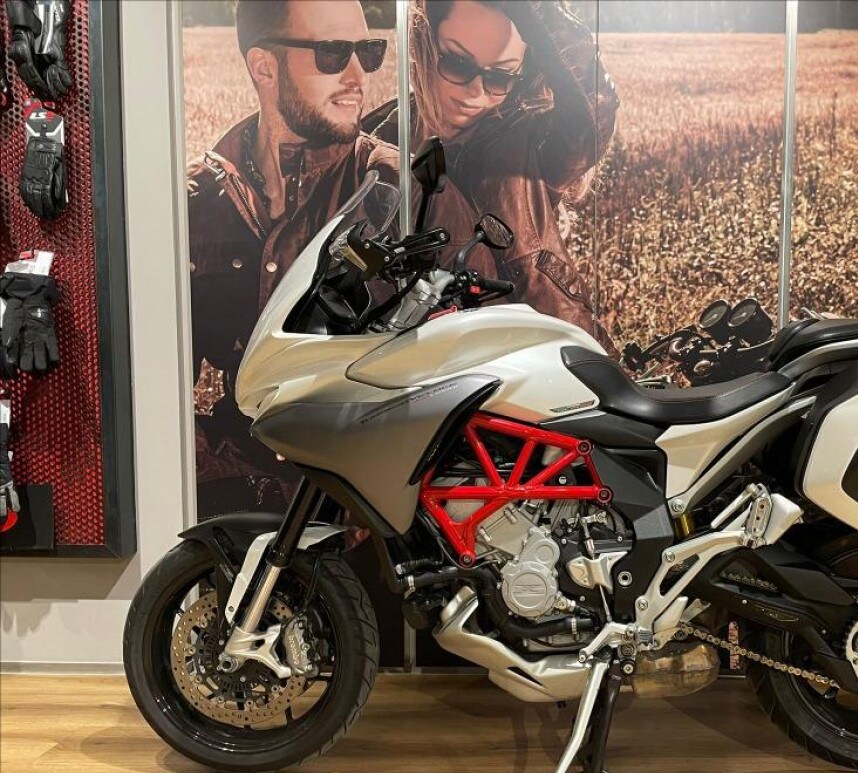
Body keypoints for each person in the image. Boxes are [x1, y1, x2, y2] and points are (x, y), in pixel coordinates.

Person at [187, 0, 487, 519]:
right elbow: (149, 384)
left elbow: (481, 373)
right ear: (263, 67)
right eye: (332, 53)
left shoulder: (408, 193)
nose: (357, 76)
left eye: (368, 52)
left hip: (370, 514)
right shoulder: (198, 202)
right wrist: (212, 484)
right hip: (237, 507)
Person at [366, 0, 619, 351]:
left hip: (536, 358)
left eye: (500, 76)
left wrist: (533, 6)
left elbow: (595, 110)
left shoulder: (532, 143)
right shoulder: (380, 138)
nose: (476, 91)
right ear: (424, 44)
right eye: (457, 63)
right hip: (407, 360)